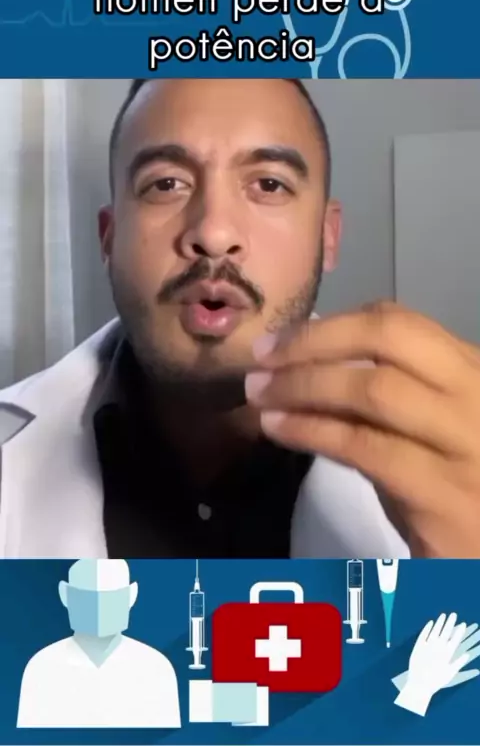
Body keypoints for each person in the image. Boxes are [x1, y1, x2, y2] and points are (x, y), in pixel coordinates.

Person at [0, 78, 479, 559]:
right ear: (109, 239)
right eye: (166, 184)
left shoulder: (453, 463)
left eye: (269, 184)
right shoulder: (14, 457)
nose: (213, 234)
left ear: (327, 236)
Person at [17, 558, 181, 728]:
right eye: (87, 598)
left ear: (131, 595)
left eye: (110, 598)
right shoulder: (42, 667)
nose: (99, 609)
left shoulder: (155, 668)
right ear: (65, 595)